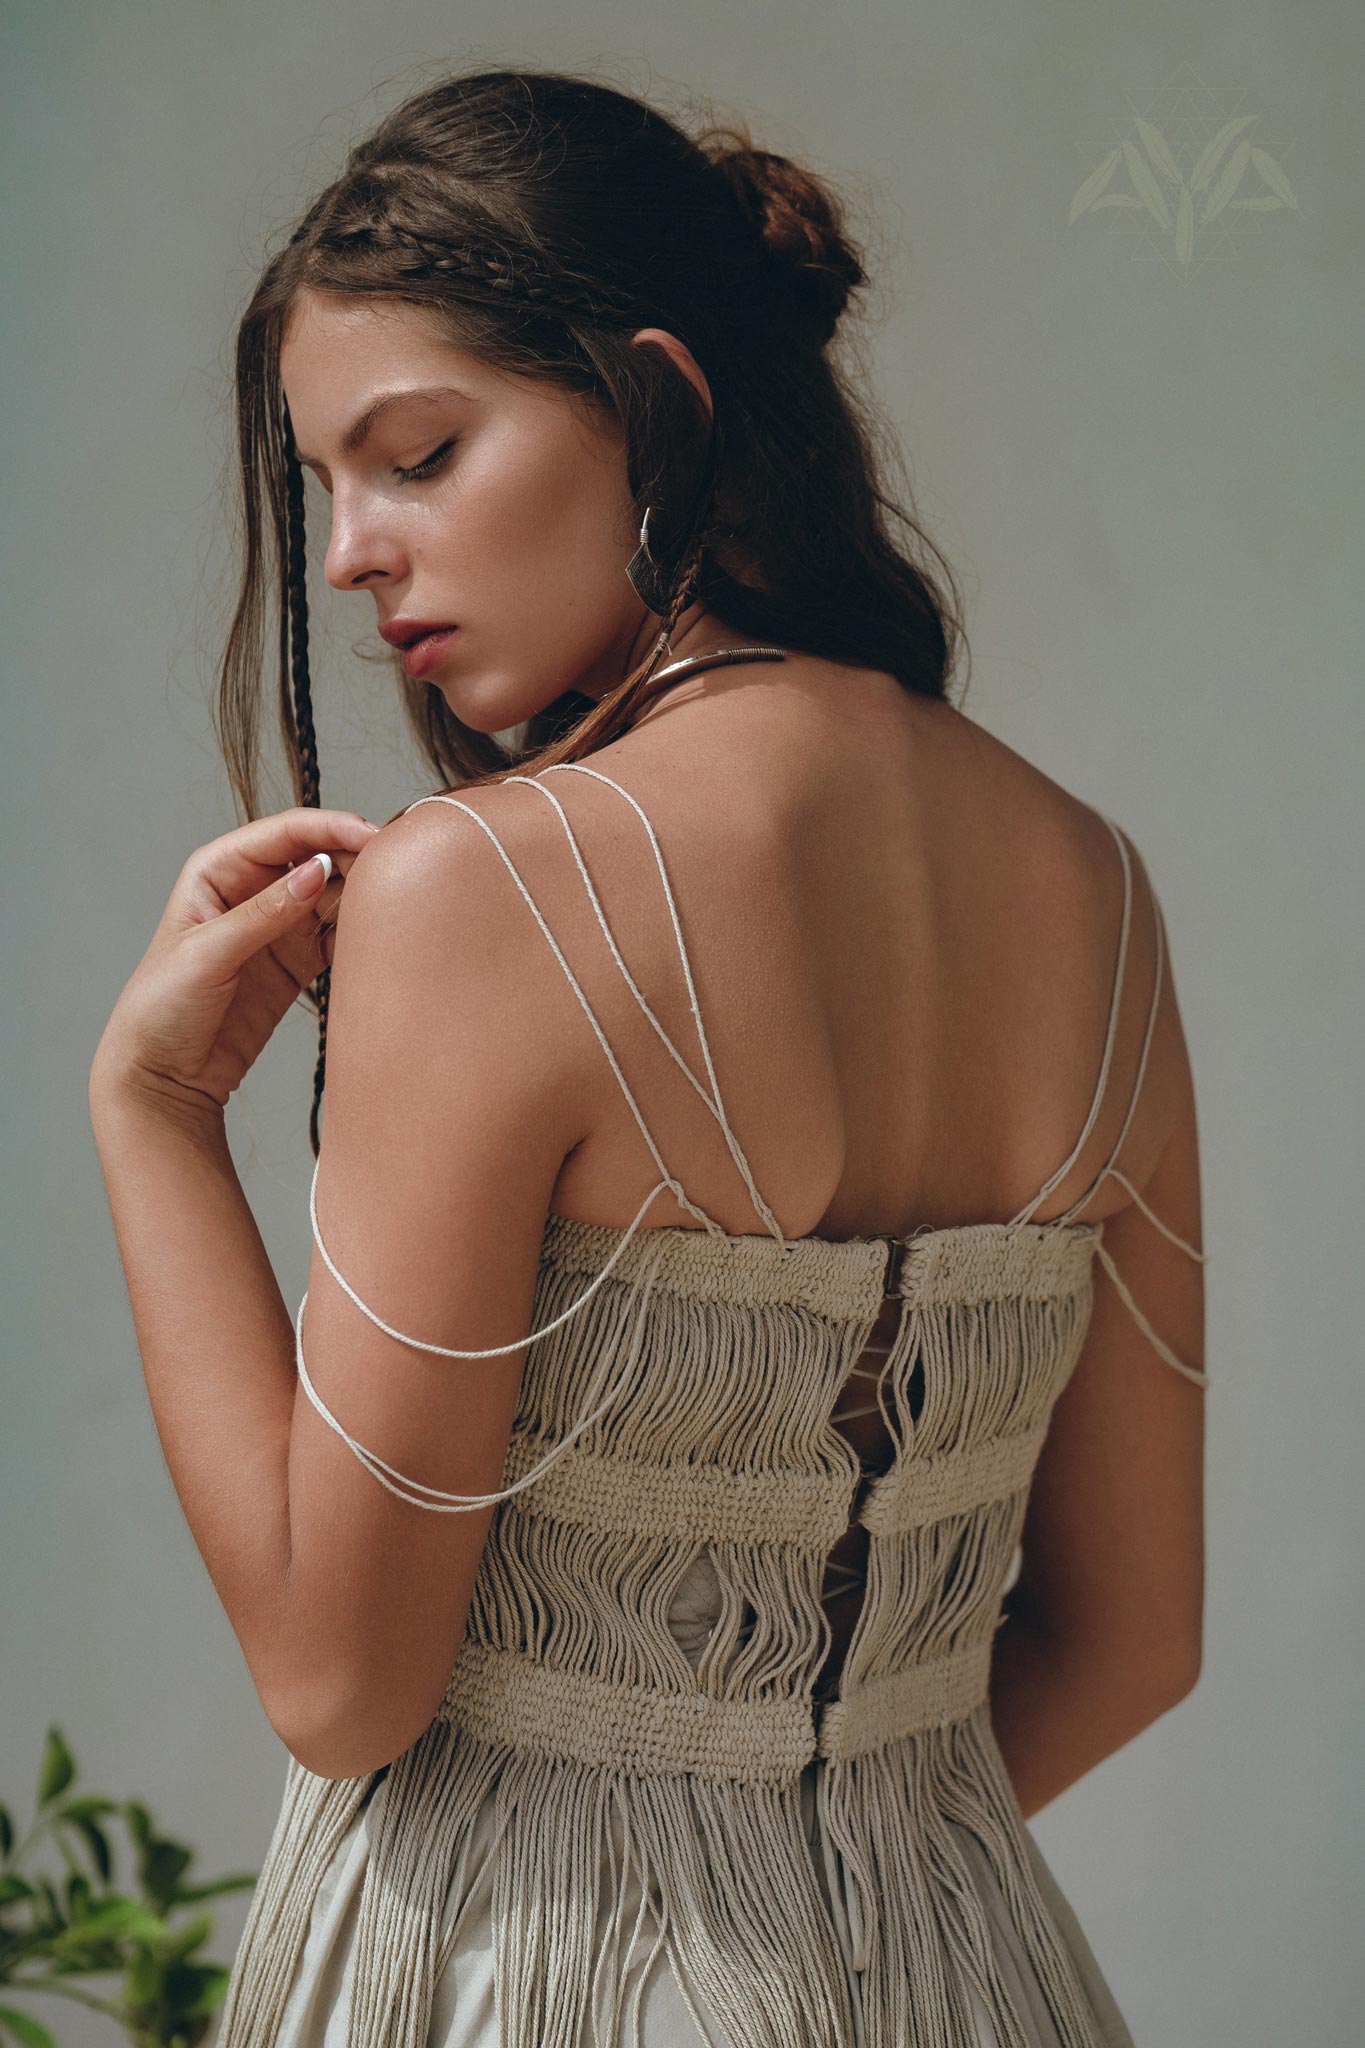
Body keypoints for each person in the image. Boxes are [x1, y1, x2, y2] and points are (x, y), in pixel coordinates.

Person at [89, 64, 1207, 2048]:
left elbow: (338, 1684)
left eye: (415, 454)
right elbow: (1131, 1644)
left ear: (659, 405)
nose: (348, 553)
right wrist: (825, 1880)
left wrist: (157, 1114)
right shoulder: (1091, 887)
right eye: (324, 483)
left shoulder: (488, 888)